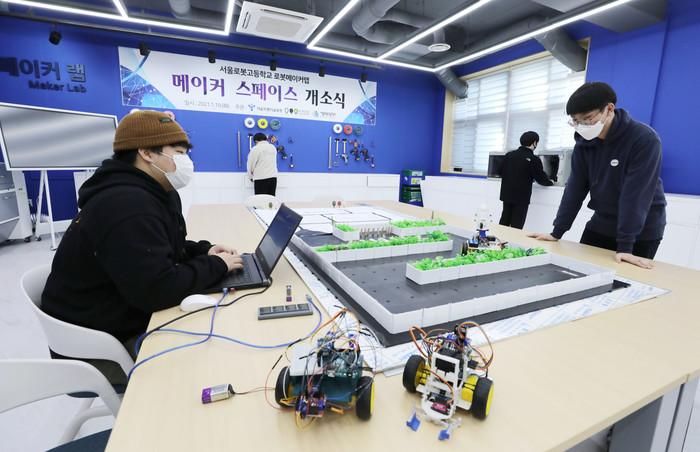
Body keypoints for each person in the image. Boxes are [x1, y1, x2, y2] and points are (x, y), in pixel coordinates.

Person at [41, 110, 243, 383]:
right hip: (96, 349)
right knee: (210, 359)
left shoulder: (155, 192)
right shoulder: (126, 205)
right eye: (178, 152)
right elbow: (158, 290)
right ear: (146, 153)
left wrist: (204, 251)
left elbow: (163, 245)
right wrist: (216, 266)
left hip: (116, 315)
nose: (186, 162)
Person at [528, 82, 667, 269]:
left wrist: (626, 246)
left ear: (609, 109)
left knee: (622, 281)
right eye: (575, 121)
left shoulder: (643, 139)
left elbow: (636, 195)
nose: (582, 126)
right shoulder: (583, 145)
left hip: (641, 231)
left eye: (587, 119)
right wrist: (557, 232)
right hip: (602, 223)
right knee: (579, 271)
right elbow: (575, 188)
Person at [499, 131, 554, 229]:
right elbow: (541, 179)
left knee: (504, 221)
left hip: (506, 194)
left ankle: (499, 238)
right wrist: (551, 182)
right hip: (521, 197)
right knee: (517, 225)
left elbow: (499, 171)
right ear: (534, 143)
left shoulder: (509, 155)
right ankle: (512, 239)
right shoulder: (533, 159)